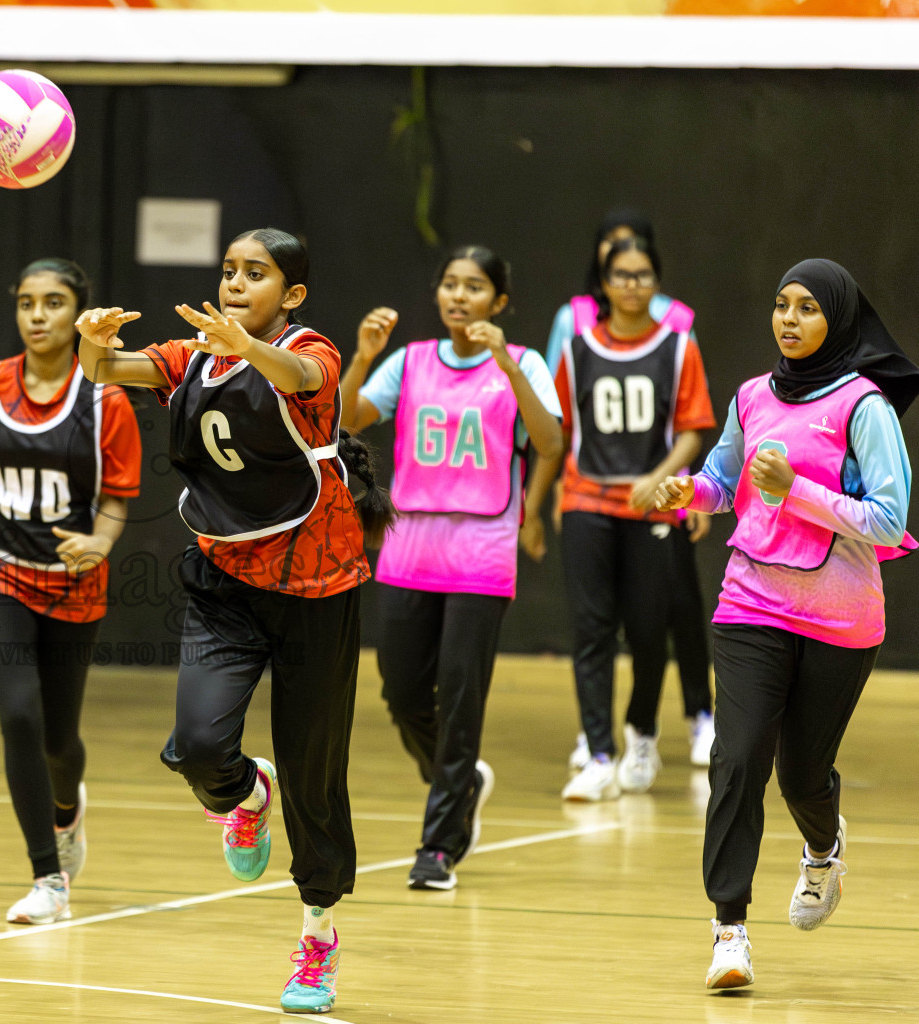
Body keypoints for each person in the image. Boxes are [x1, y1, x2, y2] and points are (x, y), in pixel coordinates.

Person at [76, 228, 394, 1015]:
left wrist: (249, 346)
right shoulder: (195, 357)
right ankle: (246, 797)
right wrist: (91, 344)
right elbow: (109, 372)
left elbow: (301, 375)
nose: (236, 283)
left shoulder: (305, 348)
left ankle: (317, 935)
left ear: (290, 295)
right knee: (198, 746)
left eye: (257, 274)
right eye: (229, 271)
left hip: (317, 590)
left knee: (315, 778)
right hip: (225, 581)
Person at [654, 259, 919, 990]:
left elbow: (891, 521)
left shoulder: (864, 407)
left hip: (840, 619)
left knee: (802, 775)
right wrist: (689, 493)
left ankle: (823, 851)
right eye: (780, 305)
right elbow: (721, 481)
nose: (789, 318)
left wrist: (795, 490)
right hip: (750, 604)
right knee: (738, 759)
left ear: (837, 317)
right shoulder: (750, 396)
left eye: (807, 306)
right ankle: (728, 930)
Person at [0, 258, 141, 925]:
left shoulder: (105, 400)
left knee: (59, 740)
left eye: (53, 303)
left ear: (79, 314)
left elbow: (120, 497)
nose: (38, 315)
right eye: (26, 303)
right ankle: (48, 878)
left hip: (72, 580)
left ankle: (67, 810)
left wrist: (100, 543)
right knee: (18, 713)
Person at [341, 247, 563, 890]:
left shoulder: (523, 363)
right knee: (402, 692)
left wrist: (505, 366)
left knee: (462, 699)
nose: (458, 296)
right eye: (449, 285)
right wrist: (360, 355)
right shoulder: (409, 362)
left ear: (499, 302)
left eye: (474, 287)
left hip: (483, 552)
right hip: (410, 546)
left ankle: (438, 847)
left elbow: (548, 443)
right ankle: (461, 778)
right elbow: (348, 419)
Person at [549, 208, 716, 770]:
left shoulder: (677, 347)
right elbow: (559, 434)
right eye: (621, 275)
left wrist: (665, 481)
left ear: (657, 282)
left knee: (651, 630)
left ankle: (642, 730)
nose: (631, 284)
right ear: (603, 282)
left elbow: (694, 427)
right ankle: (598, 751)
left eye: (642, 274)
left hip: (653, 506)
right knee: (592, 629)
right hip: (587, 504)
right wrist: (539, 502)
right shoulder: (576, 351)